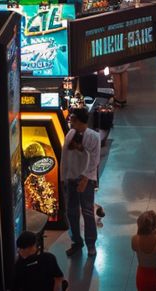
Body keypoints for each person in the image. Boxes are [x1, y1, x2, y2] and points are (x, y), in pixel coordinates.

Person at [61, 108, 102, 256]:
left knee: (87, 211)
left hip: (86, 180)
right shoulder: (70, 134)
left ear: (79, 120)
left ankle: (91, 243)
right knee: (71, 212)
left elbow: (94, 160)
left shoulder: (94, 137)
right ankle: (76, 241)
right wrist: (63, 177)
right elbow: (64, 156)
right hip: (71, 178)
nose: (70, 121)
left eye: (72, 118)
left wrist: (85, 178)